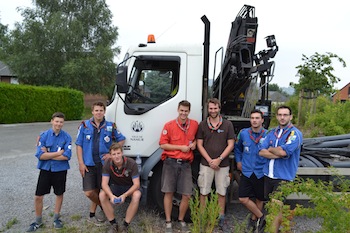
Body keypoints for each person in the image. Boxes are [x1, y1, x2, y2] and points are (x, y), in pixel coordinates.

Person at [76, 101, 126, 225]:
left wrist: (111, 154)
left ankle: (95, 213)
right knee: (89, 192)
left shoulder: (110, 126)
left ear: (104, 112)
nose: (99, 112)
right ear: (92, 111)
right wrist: (81, 163)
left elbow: (122, 139)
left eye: (101, 110)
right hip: (88, 164)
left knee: (101, 189)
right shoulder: (84, 126)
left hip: (104, 165)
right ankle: (104, 207)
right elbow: (79, 145)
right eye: (96, 110)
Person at [258, 105, 303, 233]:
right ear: (277, 116)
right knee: (270, 205)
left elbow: (284, 152)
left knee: (276, 206)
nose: (282, 118)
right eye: (280, 115)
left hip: (283, 177)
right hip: (268, 175)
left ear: (290, 116)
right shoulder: (271, 132)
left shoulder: (295, 134)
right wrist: (277, 151)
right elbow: (261, 151)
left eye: (285, 115)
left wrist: (271, 149)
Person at [26, 112, 72, 232]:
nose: (58, 124)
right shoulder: (44, 136)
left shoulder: (67, 137)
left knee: (59, 193)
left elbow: (67, 156)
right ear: (52, 121)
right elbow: (40, 155)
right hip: (46, 169)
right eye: (56, 121)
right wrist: (57, 153)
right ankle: (38, 221)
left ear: (63, 123)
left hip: (60, 170)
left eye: (61, 122)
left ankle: (56, 218)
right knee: (38, 196)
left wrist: (48, 154)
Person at [159, 100, 198, 233]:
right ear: (178, 109)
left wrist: (195, 145)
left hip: (186, 165)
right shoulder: (169, 125)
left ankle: (181, 220)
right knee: (169, 192)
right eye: (181, 110)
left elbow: (197, 139)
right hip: (170, 163)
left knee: (187, 194)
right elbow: (162, 145)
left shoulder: (194, 124)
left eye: (186, 111)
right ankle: (168, 221)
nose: (183, 113)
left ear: (189, 111)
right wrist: (180, 147)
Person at [196, 98, 235, 232]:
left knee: (221, 192)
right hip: (206, 164)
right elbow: (199, 145)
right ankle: (202, 219)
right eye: (210, 108)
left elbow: (231, 144)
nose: (213, 111)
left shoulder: (227, 124)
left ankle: (221, 219)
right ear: (208, 109)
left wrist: (219, 159)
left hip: (222, 164)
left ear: (219, 108)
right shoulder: (202, 125)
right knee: (204, 192)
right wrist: (209, 160)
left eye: (215, 108)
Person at [234, 109, 268, 233]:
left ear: (262, 120)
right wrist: (238, 161)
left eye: (257, 118)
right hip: (247, 170)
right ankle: (261, 216)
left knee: (260, 198)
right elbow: (237, 149)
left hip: (261, 171)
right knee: (243, 198)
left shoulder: (267, 135)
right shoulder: (243, 133)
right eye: (252, 118)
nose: (254, 120)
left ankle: (255, 222)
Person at [99, 142, 141, 233]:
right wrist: (111, 196)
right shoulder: (107, 163)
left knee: (137, 195)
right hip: (116, 186)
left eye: (118, 153)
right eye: (114, 154)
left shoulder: (131, 163)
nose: (116, 156)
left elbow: (136, 184)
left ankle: (126, 225)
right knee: (102, 195)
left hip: (129, 187)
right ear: (110, 156)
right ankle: (114, 224)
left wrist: (125, 195)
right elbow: (104, 184)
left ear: (122, 153)